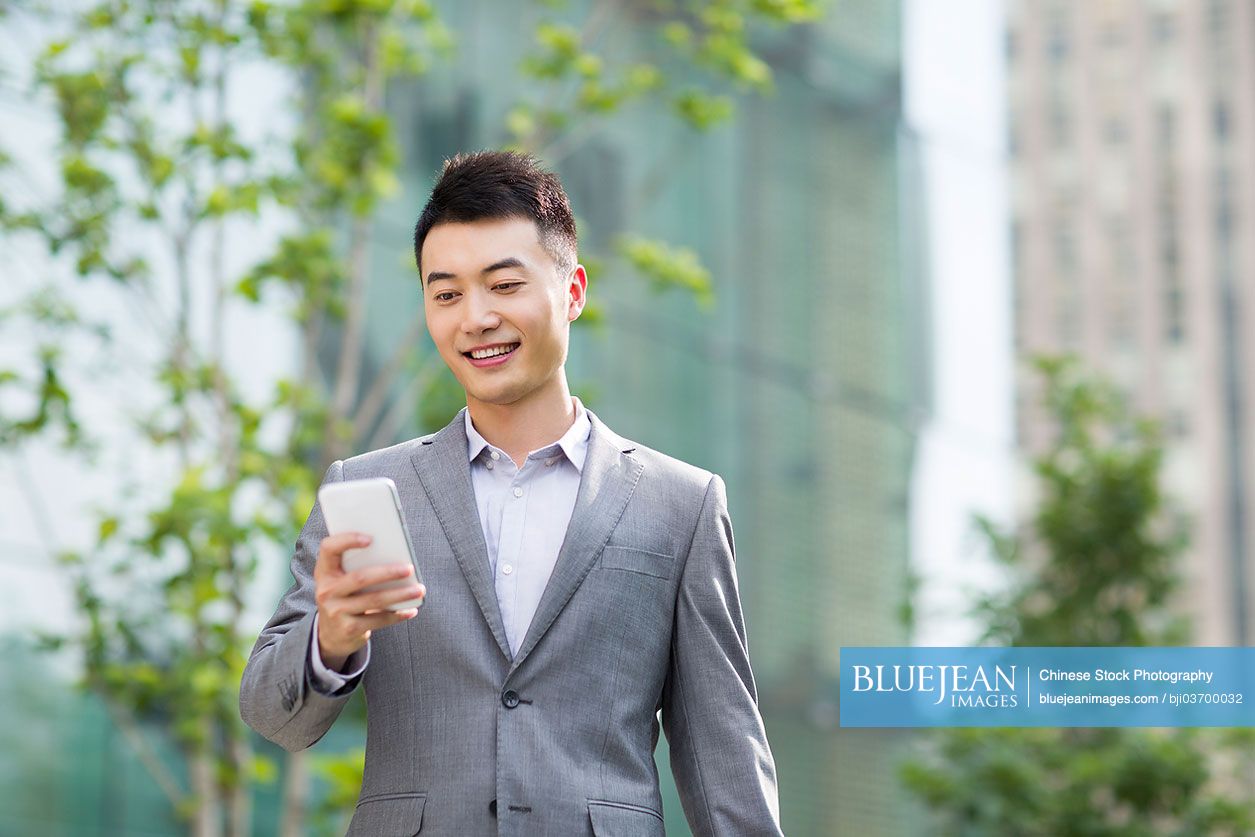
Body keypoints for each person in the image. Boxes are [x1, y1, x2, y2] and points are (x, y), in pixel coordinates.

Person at [239, 150, 781, 836]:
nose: (475, 317)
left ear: (573, 291)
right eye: (446, 294)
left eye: (503, 284)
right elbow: (271, 716)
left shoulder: (682, 505)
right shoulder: (365, 489)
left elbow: (723, 756)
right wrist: (333, 635)